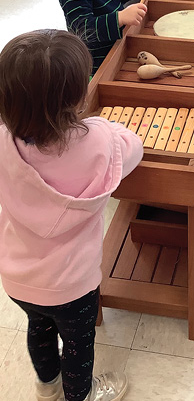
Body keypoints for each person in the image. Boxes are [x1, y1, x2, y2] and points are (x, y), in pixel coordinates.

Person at [0, 29, 144, 400]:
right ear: (79, 96)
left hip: (18, 278)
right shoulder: (97, 140)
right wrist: (100, 125)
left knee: (39, 328)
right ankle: (81, 395)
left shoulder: (3, 140)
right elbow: (134, 148)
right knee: (79, 345)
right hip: (73, 284)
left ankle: (46, 386)